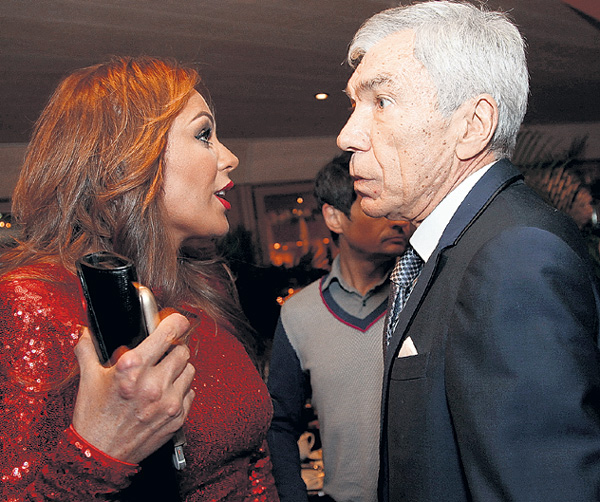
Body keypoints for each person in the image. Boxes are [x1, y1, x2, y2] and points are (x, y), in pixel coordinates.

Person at [336, 2, 600, 501]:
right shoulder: (459, 245)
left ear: (473, 125)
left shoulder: (515, 255)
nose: (347, 135)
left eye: (382, 102)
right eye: (353, 105)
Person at [0, 56, 278, 501]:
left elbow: (253, 464)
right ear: (128, 157)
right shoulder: (33, 301)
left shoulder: (206, 287)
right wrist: (100, 450)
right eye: (204, 134)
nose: (230, 158)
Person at [267, 151, 413, 502]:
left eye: (399, 206)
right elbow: (279, 423)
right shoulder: (299, 314)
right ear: (334, 217)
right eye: (377, 205)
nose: (398, 221)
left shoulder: (424, 296)